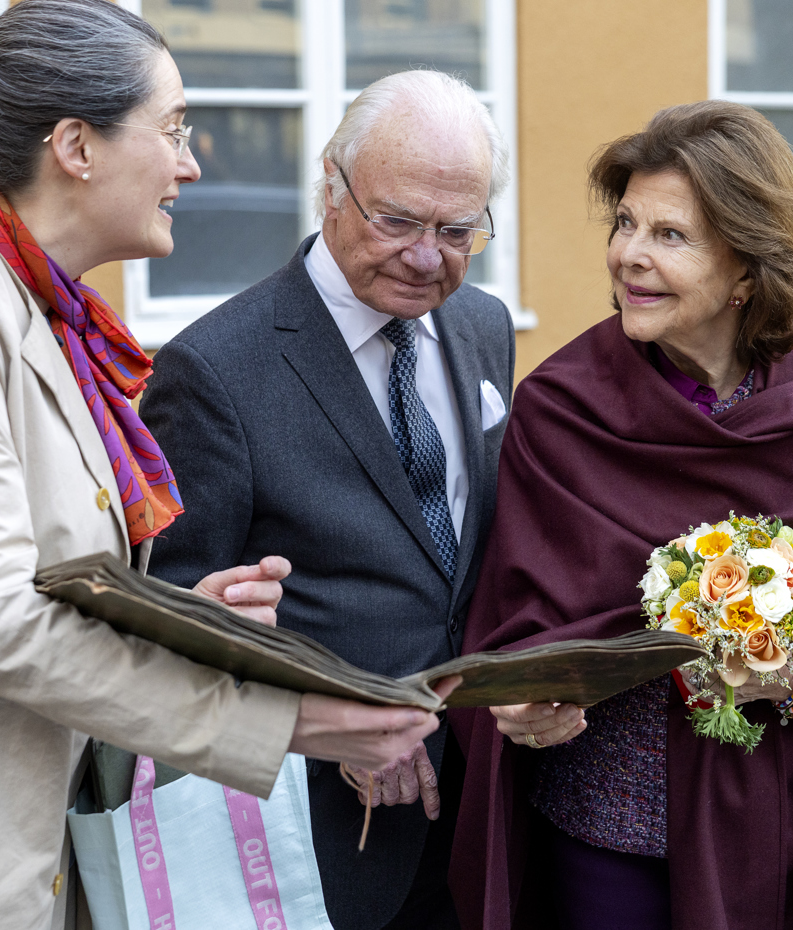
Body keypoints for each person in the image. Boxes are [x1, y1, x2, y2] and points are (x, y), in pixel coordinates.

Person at [0, 4, 447, 928]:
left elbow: (49, 584)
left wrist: (187, 622)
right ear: (77, 146)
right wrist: (286, 720)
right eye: (174, 129)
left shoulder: (52, 323)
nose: (192, 162)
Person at [448, 100, 793, 930]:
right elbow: (515, 636)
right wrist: (523, 706)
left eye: (670, 236)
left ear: (746, 270)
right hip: (612, 839)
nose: (629, 255)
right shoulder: (561, 412)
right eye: (625, 224)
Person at [138, 70, 515, 930]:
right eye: (397, 221)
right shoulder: (213, 370)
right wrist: (334, 722)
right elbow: (174, 628)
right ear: (331, 188)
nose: (427, 256)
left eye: (458, 230)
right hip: (316, 835)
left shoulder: (484, 326)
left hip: (480, 802)